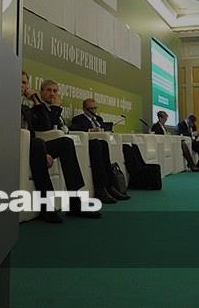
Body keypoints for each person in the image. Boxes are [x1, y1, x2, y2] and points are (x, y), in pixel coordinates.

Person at [21, 74, 101, 223]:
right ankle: (47, 206)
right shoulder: (15, 101)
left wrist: (36, 100)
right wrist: (53, 107)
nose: (52, 94)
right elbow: (44, 127)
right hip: (24, 144)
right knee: (38, 145)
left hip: (35, 143)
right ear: (41, 91)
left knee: (66, 143)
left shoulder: (31, 104)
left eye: (25, 83)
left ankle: (75, 203)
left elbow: (46, 126)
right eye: (49, 90)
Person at [69, 98, 130, 203]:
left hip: (100, 143)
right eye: (90, 109)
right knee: (97, 144)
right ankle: (100, 189)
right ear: (84, 109)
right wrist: (90, 130)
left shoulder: (98, 119)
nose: (93, 111)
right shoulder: (78, 119)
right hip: (89, 143)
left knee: (103, 144)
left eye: (95, 108)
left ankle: (110, 187)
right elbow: (73, 128)